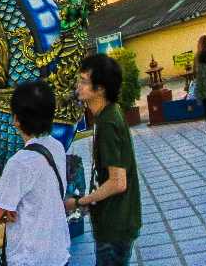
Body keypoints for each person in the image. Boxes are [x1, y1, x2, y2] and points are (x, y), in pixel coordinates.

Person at [65, 54, 141, 266]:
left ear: (100, 89)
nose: (78, 86)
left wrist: (79, 202)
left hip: (115, 224)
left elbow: (118, 182)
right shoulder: (107, 115)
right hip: (114, 220)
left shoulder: (108, 122)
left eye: (83, 81)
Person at [0, 81, 69, 266]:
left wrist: (5, 213)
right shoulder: (57, 148)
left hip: (29, 258)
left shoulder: (19, 163)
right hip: (58, 253)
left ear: (16, 119)